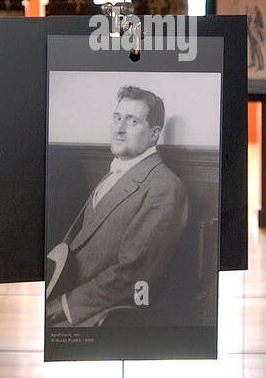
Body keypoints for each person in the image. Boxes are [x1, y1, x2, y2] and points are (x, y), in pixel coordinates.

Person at [45, 85, 189, 328]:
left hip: (93, 313)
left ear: (154, 134)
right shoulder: (119, 171)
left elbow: (133, 273)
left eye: (132, 121)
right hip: (63, 293)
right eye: (117, 117)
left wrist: (62, 306)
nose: (119, 129)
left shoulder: (164, 186)